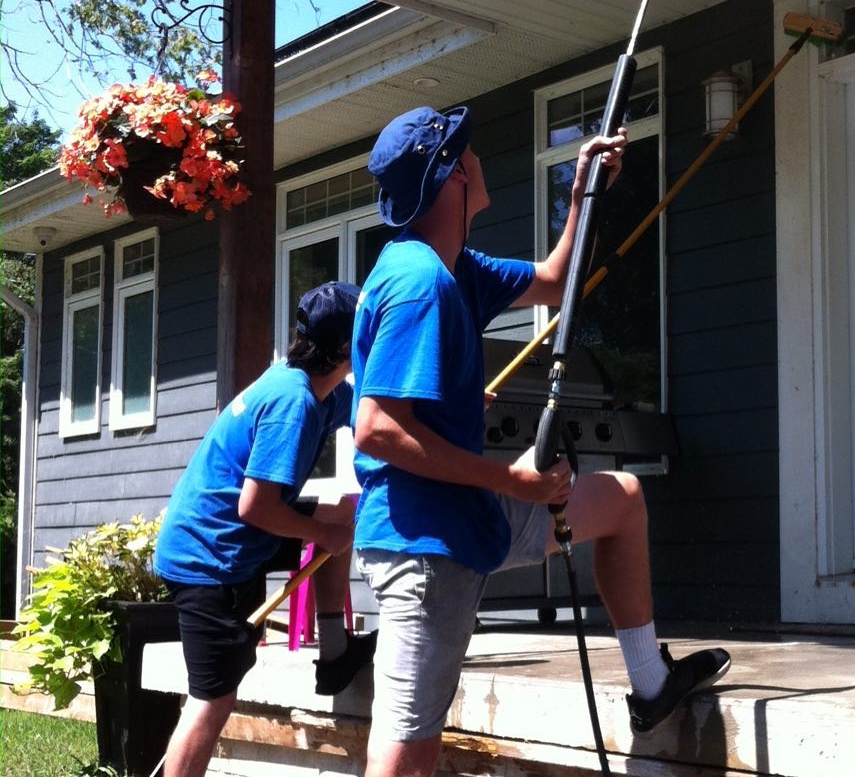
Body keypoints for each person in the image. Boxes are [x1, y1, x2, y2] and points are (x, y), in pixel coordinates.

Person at [352, 105, 731, 777]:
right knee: (409, 748)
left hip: (467, 524)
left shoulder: (454, 268)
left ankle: (651, 685)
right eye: (466, 151)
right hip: (425, 546)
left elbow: (558, 282)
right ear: (451, 177)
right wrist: (510, 479)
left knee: (620, 498)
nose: (478, 158)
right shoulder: (418, 283)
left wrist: (587, 187)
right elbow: (377, 429)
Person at [154, 281, 376, 777]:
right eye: (366, 331)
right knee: (212, 699)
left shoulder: (315, 388)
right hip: (208, 556)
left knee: (338, 509)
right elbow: (256, 506)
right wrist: (324, 536)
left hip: (232, 540)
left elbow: (371, 417)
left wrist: (457, 408)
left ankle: (336, 651)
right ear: (345, 346)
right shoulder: (292, 402)